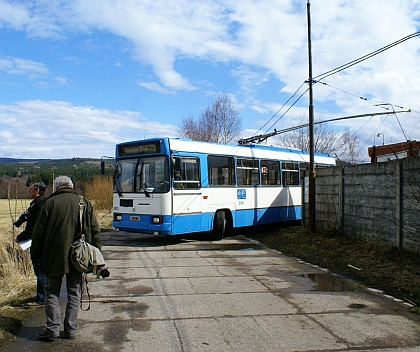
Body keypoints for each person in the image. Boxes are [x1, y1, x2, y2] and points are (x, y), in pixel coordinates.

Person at [32, 175, 101, 342]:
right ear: (70, 186)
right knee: (74, 292)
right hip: (78, 256)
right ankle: (70, 329)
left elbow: (38, 235)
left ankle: (52, 328)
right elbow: (94, 230)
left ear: (56, 187)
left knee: (51, 292)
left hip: (52, 255)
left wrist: (36, 257)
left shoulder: (49, 204)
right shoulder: (83, 202)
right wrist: (96, 257)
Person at [13, 182, 47, 305]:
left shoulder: (38, 205)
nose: (29, 191)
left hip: (38, 243)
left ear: (37, 191)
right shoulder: (41, 203)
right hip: (44, 241)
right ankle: (42, 296)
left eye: (31, 189)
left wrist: (20, 238)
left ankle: (41, 299)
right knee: (42, 271)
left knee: (40, 272)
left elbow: (32, 228)